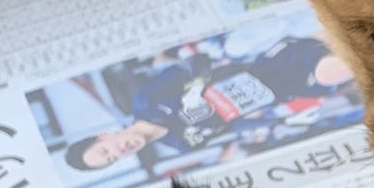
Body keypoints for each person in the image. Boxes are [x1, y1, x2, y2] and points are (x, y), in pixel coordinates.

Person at [65, 35, 354, 170]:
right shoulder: (180, 144)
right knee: (343, 61)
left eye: (105, 149)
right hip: (284, 92)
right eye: (113, 159)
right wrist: (281, 121)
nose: (118, 151)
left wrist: (196, 86)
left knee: (334, 64)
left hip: (270, 65)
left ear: (105, 135)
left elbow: (196, 62)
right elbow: (235, 125)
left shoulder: (146, 100)